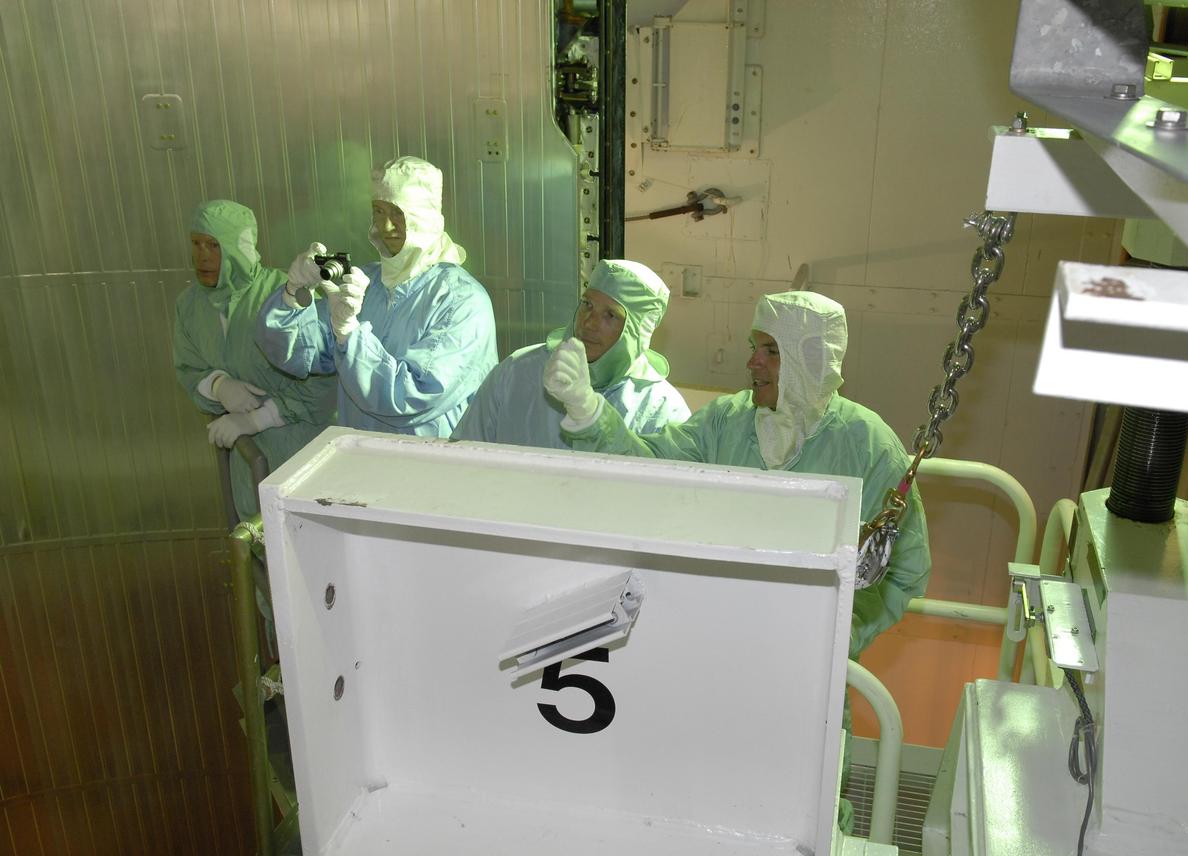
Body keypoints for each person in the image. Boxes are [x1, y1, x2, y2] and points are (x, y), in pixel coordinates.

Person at [542, 290, 930, 658]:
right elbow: (650, 471)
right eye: (753, 348)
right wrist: (587, 410)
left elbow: (903, 572)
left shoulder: (868, 446)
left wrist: (833, 636)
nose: (752, 363)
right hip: (711, 637)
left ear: (810, 361)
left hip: (808, 664)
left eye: (772, 351)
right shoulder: (725, 421)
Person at [256, 156, 497, 436]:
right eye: (379, 212)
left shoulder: (461, 301)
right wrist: (293, 294)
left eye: (398, 214)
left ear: (424, 217)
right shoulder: (366, 283)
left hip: (434, 468)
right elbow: (299, 356)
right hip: (363, 458)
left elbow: (414, 396)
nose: (386, 227)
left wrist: (349, 335)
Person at [174, 199, 335, 521]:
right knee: (258, 549)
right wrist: (217, 385)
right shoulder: (191, 305)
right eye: (196, 244)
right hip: (248, 470)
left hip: (301, 457)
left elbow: (324, 383)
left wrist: (260, 419)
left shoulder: (283, 295)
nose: (202, 256)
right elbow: (189, 366)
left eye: (214, 245)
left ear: (236, 248)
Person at [452, 260, 689, 448]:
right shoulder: (518, 371)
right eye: (587, 305)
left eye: (611, 315)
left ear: (636, 332)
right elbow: (464, 453)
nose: (589, 322)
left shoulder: (661, 408)